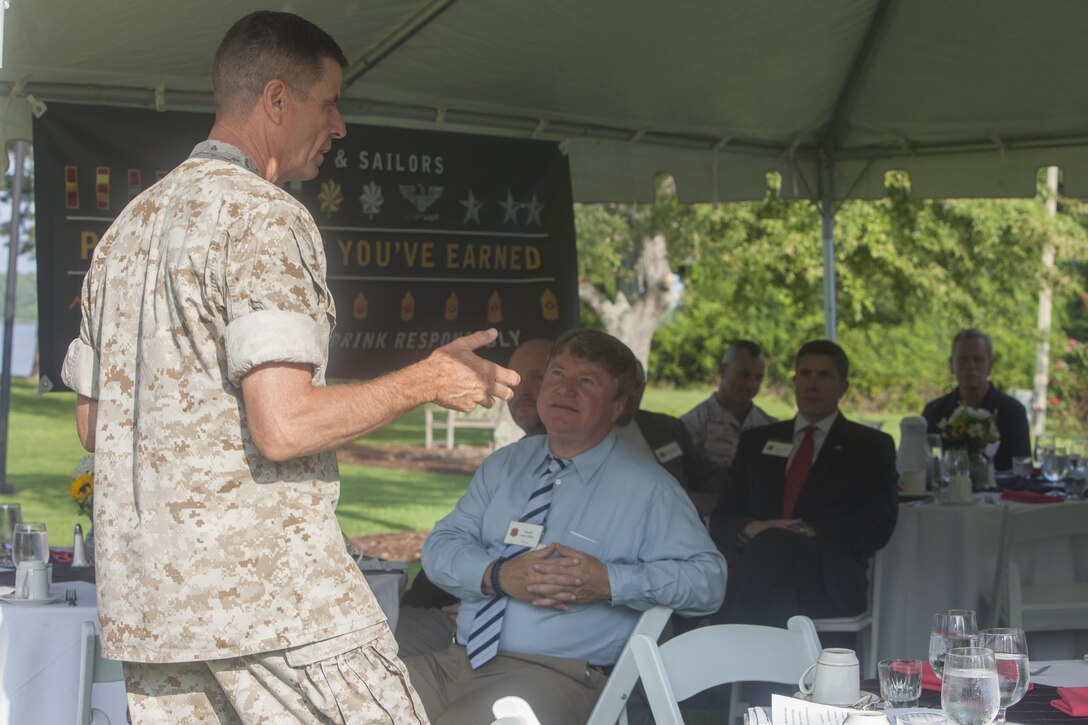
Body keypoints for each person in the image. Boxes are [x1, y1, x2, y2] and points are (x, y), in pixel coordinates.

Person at [60, 11, 518, 722]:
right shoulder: (265, 217)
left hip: (154, 612)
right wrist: (425, 380)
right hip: (274, 604)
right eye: (329, 102)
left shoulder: (125, 231)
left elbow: (94, 425)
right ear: (277, 99)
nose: (339, 126)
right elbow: (282, 424)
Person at [403, 330, 727, 724]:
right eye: (556, 374)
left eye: (586, 381)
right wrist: (497, 576)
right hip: (461, 660)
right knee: (354, 705)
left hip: (560, 676)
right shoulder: (505, 466)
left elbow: (708, 581)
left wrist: (609, 582)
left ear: (618, 406)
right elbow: (440, 547)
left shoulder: (649, 489)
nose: (564, 389)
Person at [707, 340, 898, 628]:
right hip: (762, 572)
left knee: (777, 544)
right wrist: (755, 527)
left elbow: (877, 526)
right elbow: (722, 518)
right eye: (805, 374)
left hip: (829, 575)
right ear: (794, 382)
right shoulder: (757, 442)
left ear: (843, 387)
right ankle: (759, 666)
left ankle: (716, 634)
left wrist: (808, 530)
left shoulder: (869, 446)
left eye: (824, 376)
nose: (812, 384)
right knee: (778, 600)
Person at [396, 337, 555, 656]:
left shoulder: (604, 473)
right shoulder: (505, 463)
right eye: (517, 376)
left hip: (527, 641)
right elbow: (451, 540)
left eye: (539, 376)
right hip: (457, 613)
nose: (522, 388)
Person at [616, 360, 725, 517]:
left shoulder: (666, 428)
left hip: (673, 521)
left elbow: (705, 473)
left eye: (638, 385)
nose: (633, 393)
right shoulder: (584, 433)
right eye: (626, 385)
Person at [922, 328, 1031, 470]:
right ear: (951, 364)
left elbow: (1023, 469)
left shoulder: (1012, 412)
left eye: (977, 359)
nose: (970, 366)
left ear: (990, 365)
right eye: (963, 359)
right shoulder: (934, 412)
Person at [681, 340, 777, 468]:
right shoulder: (692, 425)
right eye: (744, 375)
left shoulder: (770, 427)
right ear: (722, 370)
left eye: (758, 378)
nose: (751, 384)